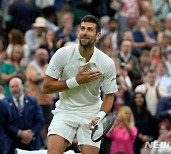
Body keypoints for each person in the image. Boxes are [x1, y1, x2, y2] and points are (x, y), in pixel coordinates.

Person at [43, 15, 117, 154]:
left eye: (89, 30)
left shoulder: (107, 63)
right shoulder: (62, 54)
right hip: (65, 110)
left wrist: (100, 116)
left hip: (91, 113)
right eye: (82, 28)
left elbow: (109, 96)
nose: (84, 32)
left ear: (98, 35)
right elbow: (46, 87)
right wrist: (76, 81)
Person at [5, 77, 44, 153]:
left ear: (22, 86)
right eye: (12, 87)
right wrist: (20, 133)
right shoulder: (5, 103)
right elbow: (5, 123)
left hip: (32, 142)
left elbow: (40, 120)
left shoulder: (33, 101)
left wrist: (30, 134)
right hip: (12, 143)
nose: (14, 89)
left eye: (16, 86)